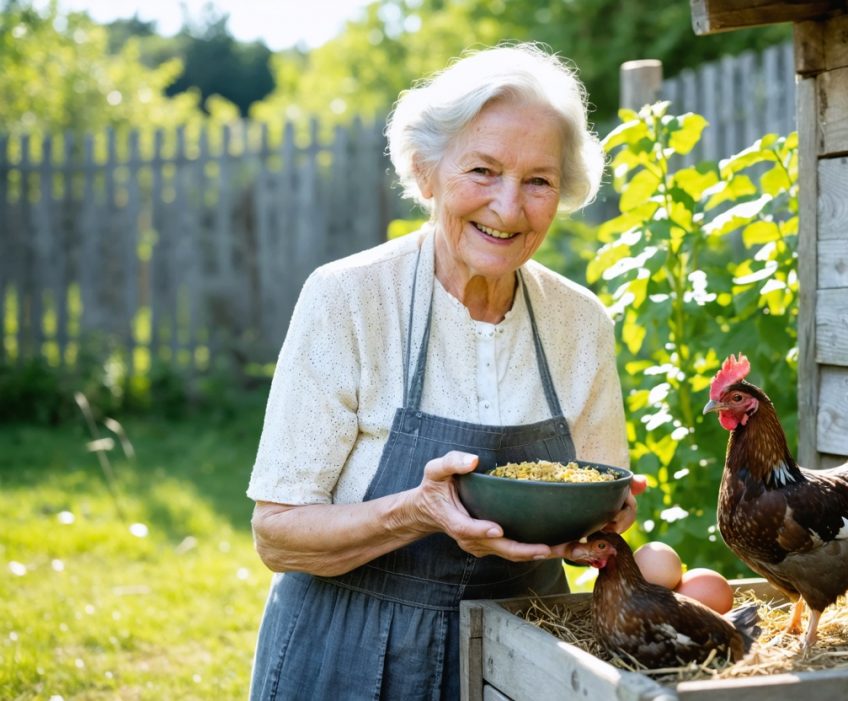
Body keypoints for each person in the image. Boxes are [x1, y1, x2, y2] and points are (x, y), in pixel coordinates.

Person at [246, 42, 645, 701]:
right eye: (483, 170)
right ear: (426, 170)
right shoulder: (350, 298)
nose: (509, 208)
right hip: (352, 652)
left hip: (524, 651)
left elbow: (595, 493)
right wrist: (418, 510)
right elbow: (277, 535)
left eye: (538, 180)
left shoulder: (580, 321)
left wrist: (593, 530)